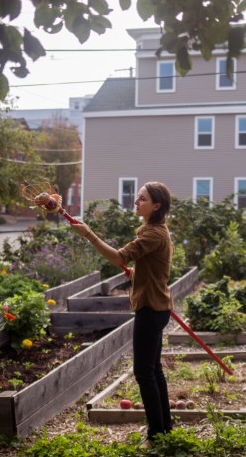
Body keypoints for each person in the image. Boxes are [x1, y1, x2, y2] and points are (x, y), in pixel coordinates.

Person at [71, 181, 174, 445]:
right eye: (137, 197)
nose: (136, 202)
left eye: (142, 199)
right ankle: (164, 428)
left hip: (151, 311)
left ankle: (156, 435)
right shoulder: (155, 230)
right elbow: (150, 266)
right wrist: (137, 272)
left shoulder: (153, 235)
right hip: (157, 308)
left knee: (144, 372)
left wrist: (89, 235)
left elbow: (119, 257)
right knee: (154, 370)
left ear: (157, 205)